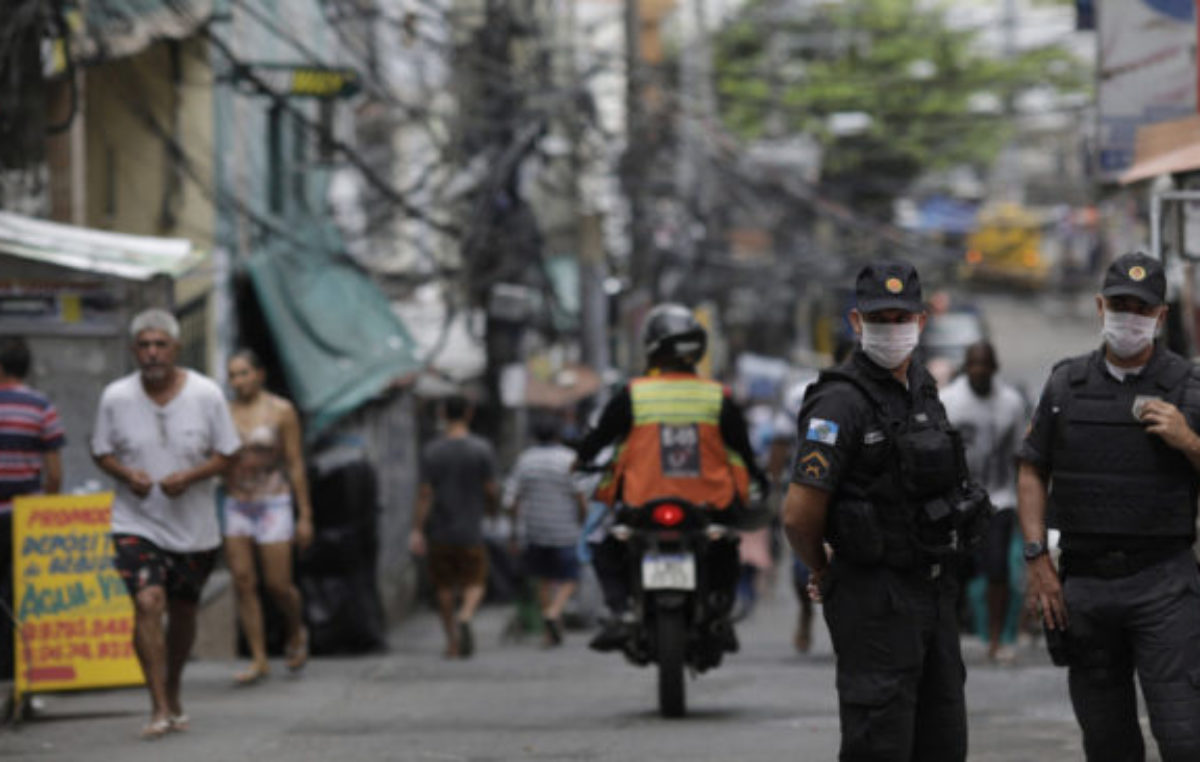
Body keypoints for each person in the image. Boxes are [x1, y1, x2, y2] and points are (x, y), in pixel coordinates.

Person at [783, 261, 989, 762]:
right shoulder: (838, 402)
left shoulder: (922, 386)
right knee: (880, 742)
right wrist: (822, 567)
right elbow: (798, 513)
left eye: (902, 318)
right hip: (873, 597)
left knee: (942, 740)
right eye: (880, 319)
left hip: (931, 591)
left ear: (921, 322)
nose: (892, 329)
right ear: (856, 323)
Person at [1018, 252, 1200, 761]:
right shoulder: (1065, 385)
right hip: (1087, 586)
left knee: (1185, 737)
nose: (1129, 318)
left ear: (1161, 317)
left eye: (1142, 309)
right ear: (1100, 307)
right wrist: (1037, 561)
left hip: (1163, 583)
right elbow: (1032, 468)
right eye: (1119, 305)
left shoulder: (1189, 386)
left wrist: (1190, 440)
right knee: (1107, 743)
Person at [575, 303, 768, 652]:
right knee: (726, 546)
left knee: (602, 543)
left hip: (641, 503)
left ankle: (620, 611)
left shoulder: (633, 394)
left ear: (651, 347)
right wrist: (758, 480)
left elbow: (598, 439)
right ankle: (719, 611)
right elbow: (742, 449)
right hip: (708, 505)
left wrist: (581, 459)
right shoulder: (716, 396)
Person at [91, 309, 241, 739]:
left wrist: (190, 477)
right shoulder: (115, 397)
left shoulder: (206, 394)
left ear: (175, 348)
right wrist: (127, 475)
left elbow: (229, 454)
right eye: (144, 345)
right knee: (147, 601)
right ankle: (157, 704)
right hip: (135, 521)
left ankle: (173, 688)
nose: (152, 353)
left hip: (194, 528)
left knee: (183, 612)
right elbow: (102, 451)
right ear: (133, 349)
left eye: (160, 345)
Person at [223, 349, 313, 684]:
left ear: (259, 375)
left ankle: (295, 630)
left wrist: (305, 514)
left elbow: (295, 462)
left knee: (278, 584)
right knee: (243, 581)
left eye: (244, 373)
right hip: (236, 502)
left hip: (273, 501)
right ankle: (259, 657)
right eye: (233, 375)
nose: (238, 381)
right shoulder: (225, 413)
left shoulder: (281, 411)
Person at [940, 341, 1027, 663]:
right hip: (957, 499)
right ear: (966, 367)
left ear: (994, 367)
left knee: (997, 569)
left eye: (984, 365)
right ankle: (947, 637)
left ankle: (994, 637)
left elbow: (1020, 455)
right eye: (973, 365)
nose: (979, 371)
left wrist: (1024, 503)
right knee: (953, 571)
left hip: (998, 499)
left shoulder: (1011, 403)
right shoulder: (949, 400)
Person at [0, 337, 64, 714]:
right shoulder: (41, 407)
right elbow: (54, 473)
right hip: (26, 519)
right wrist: (48, 514)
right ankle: (22, 689)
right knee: (22, 603)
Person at [409, 395, 499, 659]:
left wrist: (417, 529)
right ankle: (467, 613)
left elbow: (425, 493)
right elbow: (491, 488)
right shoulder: (482, 449)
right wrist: (492, 510)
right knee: (476, 581)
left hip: (440, 531)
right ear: (469, 413)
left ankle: (451, 642)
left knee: (444, 587)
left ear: (442, 413)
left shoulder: (431, 451)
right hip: (471, 530)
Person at [503, 415, 587, 647]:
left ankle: (550, 631)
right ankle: (555, 611)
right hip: (565, 530)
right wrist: (584, 521)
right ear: (558, 435)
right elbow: (580, 496)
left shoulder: (525, 461)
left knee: (543, 579)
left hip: (535, 530)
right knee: (570, 578)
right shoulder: (568, 459)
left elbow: (510, 500)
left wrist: (513, 530)